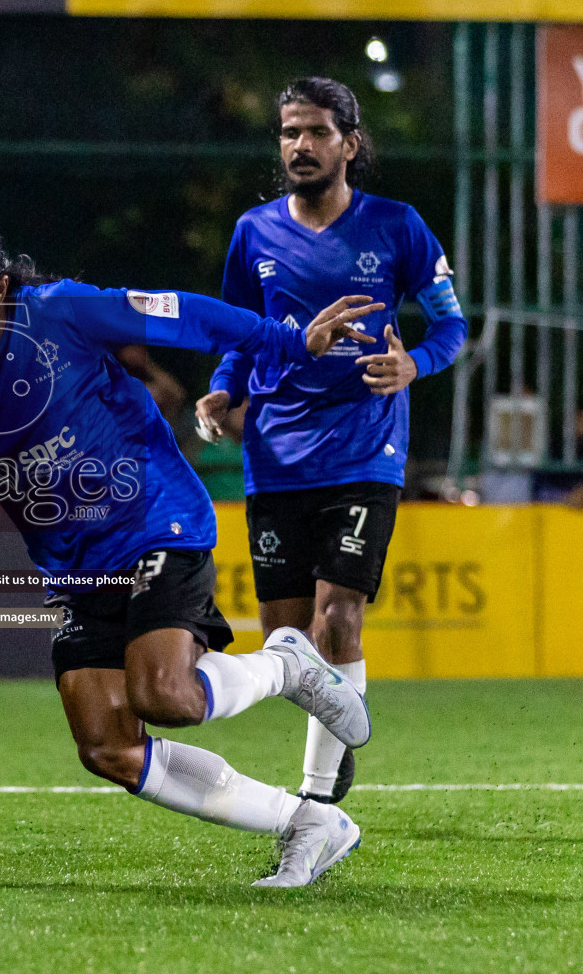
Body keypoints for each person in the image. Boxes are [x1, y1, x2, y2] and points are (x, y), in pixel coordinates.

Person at [0, 216, 381, 887]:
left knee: (166, 694)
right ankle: (308, 823)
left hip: (155, 520)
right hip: (76, 566)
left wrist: (292, 340)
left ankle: (284, 666)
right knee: (108, 748)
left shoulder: (62, 311)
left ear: (3, 288)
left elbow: (183, 316)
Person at [195, 77, 467, 806]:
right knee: (289, 642)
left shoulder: (399, 226)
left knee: (338, 616)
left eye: (316, 132)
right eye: (289, 132)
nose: (300, 145)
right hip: (277, 456)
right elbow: (238, 335)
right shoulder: (254, 232)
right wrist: (225, 389)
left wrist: (416, 363)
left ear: (349, 143)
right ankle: (339, 719)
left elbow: (451, 326)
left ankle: (317, 800)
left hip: (364, 450)